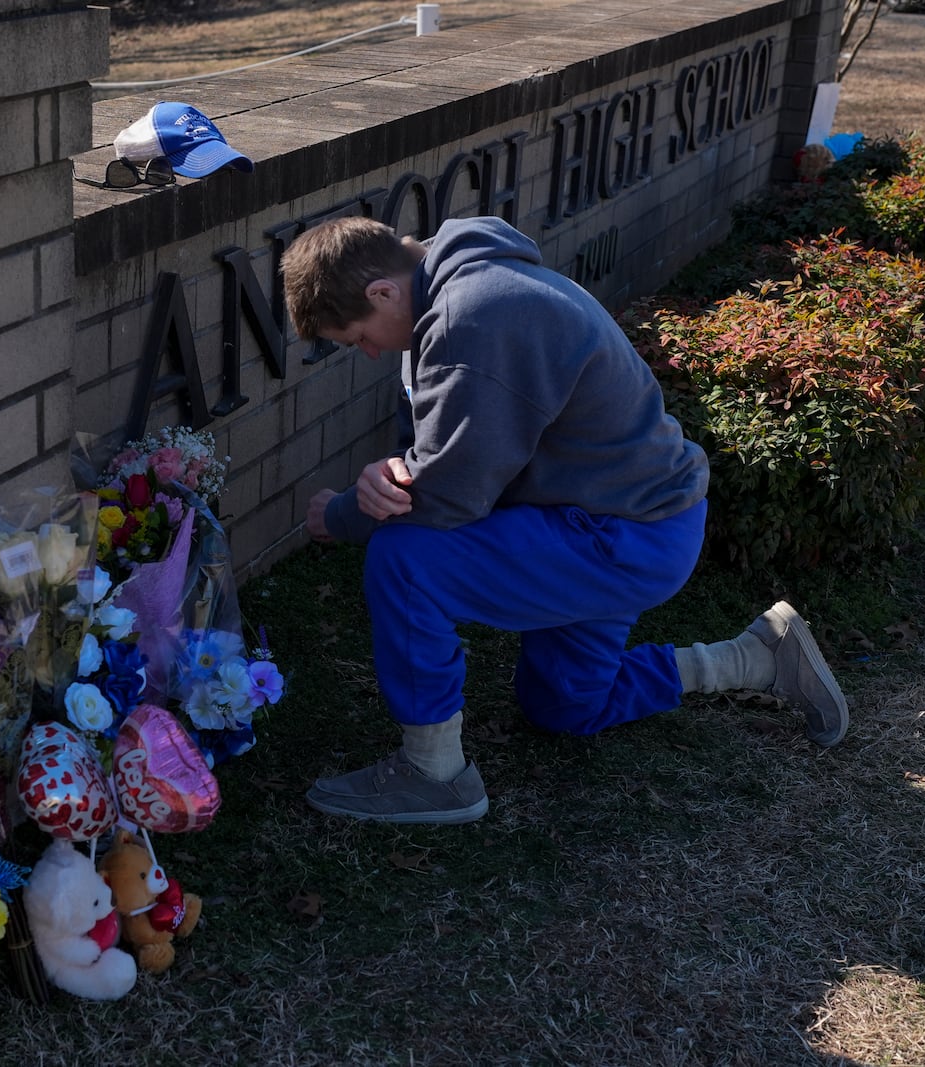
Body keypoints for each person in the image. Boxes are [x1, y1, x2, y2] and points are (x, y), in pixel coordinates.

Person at [279, 215, 848, 825]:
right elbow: (433, 454)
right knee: (565, 705)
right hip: (621, 517)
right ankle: (755, 658)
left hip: (621, 536)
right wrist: (391, 475)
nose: (367, 352)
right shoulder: (457, 293)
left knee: (406, 560)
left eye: (358, 337)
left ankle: (432, 775)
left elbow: (449, 496)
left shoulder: (471, 315)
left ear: (382, 292)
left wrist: (343, 514)